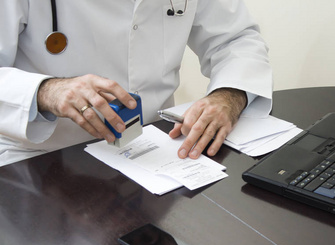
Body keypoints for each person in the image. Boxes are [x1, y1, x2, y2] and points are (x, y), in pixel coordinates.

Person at [0, 0, 272, 167]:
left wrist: (229, 96)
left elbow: (236, 38)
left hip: (157, 152)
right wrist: (47, 91)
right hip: (40, 158)